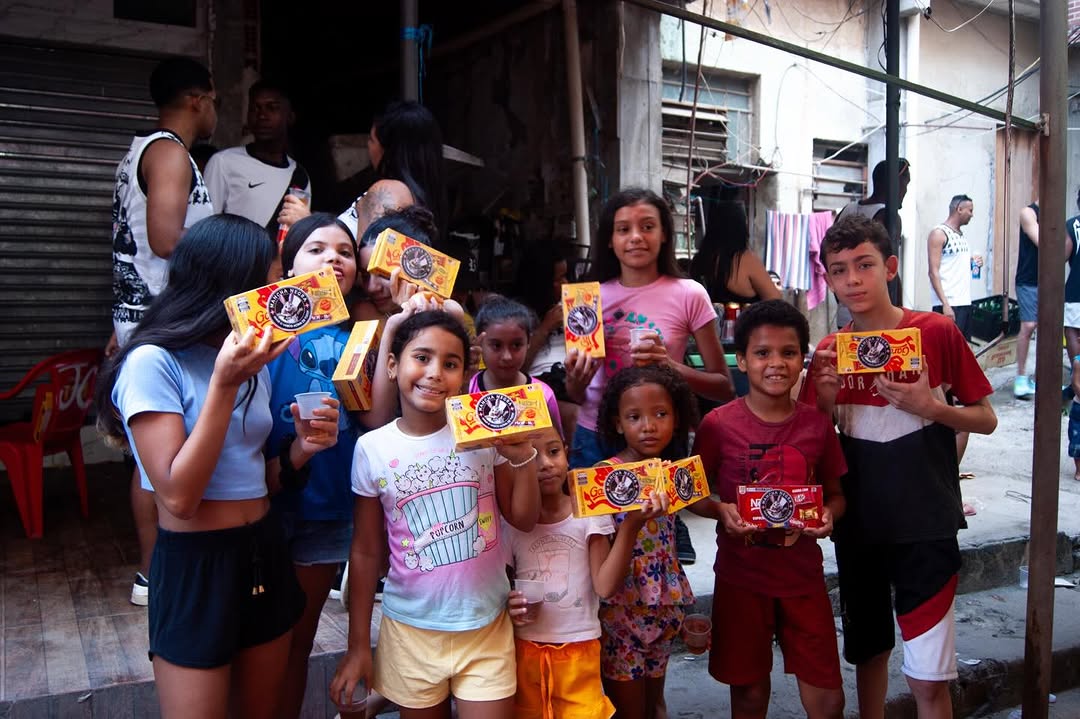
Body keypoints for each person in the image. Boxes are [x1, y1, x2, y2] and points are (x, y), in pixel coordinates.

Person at [96, 214, 341, 717]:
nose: (281, 294)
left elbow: (253, 481)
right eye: (270, 282)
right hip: (196, 565)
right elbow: (179, 497)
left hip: (263, 552)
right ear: (231, 287)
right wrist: (224, 386)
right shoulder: (152, 363)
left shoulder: (247, 361)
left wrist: (301, 450)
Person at [805, 214, 997, 719]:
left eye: (864, 265)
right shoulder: (829, 352)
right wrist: (823, 404)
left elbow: (986, 418)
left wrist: (931, 407)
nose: (853, 279)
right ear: (828, 279)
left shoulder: (935, 331)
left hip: (926, 525)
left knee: (928, 678)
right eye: (839, 270)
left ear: (890, 267)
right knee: (869, 654)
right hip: (858, 528)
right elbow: (812, 443)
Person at [330, 310, 541, 719]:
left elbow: (524, 519)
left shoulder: (483, 434)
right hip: (409, 632)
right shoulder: (372, 448)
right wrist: (358, 647)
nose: (434, 373)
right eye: (422, 358)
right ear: (393, 365)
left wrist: (524, 457)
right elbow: (366, 552)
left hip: (486, 626)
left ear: (464, 375)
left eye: (450, 363)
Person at [688, 300, 846, 719]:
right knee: (749, 696)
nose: (776, 363)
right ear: (741, 360)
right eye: (762, 353)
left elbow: (836, 494)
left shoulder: (817, 425)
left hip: (803, 578)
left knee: (829, 700)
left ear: (801, 360)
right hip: (741, 578)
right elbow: (692, 495)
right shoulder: (718, 425)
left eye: (788, 352)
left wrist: (829, 515)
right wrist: (721, 510)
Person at [107, 56, 217, 606]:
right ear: (198, 99)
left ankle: (160, 569)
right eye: (214, 100)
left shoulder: (141, 152)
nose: (215, 111)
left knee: (152, 456)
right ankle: (154, 572)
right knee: (157, 459)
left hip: (149, 319)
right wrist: (229, 245)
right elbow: (164, 239)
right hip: (165, 323)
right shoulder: (170, 151)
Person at [265, 213, 363, 718]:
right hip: (261, 502)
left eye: (345, 252)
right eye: (317, 249)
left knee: (298, 641)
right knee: (257, 640)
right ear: (287, 267)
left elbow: (374, 416)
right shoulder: (261, 332)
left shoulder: (362, 338)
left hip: (327, 507)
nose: (333, 259)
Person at [504, 424, 667, 719]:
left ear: (567, 453)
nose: (545, 464)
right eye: (532, 456)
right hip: (524, 650)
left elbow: (604, 586)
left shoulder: (588, 514)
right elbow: (501, 588)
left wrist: (631, 526)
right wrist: (509, 603)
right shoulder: (512, 523)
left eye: (554, 451)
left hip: (579, 650)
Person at [564, 187, 733, 470]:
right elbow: (578, 396)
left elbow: (724, 388)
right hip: (595, 437)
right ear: (610, 240)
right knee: (593, 504)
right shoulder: (586, 300)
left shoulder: (690, 294)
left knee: (662, 503)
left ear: (664, 234)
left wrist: (669, 366)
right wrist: (576, 380)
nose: (636, 237)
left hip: (660, 437)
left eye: (647, 227)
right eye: (623, 229)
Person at [594, 364, 698, 719]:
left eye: (660, 414)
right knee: (629, 711)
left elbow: (698, 504)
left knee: (654, 705)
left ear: (676, 419)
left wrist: (726, 510)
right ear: (618, 423)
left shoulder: (671, 472)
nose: (649, 426)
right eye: (634, 417)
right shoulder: (604, 478)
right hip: (621, 613)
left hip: (664, 607)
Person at [203, 81, 311, 234]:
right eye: (254, 109)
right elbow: (204, 228)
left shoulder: (300, 177)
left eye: (272, 108)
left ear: (290, 117)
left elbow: (297, 233)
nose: (262, 115)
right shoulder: (223, 162)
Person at [470, 296, 563, 437]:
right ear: (479, 343)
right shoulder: (468, 388)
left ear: (528, 342)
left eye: (516, 345)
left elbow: (554, 444)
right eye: (496, 346)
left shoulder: (543, 394)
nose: (507, 356)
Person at [835, 158, 911, 326]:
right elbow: (889, 271)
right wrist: (898, 310)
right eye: (906, 184)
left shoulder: (847, 210)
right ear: (896, 183)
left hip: (846, 312)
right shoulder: (887, 216)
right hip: (877, 317)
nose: (905, 191)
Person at [515, 242, 578, 439]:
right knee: (576, 416)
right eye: (558, 279)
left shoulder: (571, 304)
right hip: (540, 383)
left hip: (572, 376)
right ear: (541, 281)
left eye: (566, 276)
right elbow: (517, 366)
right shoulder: (520, 313)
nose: (565, 283)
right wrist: (545, 327)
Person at [690, 201, 782, 305]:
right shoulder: (747, 260)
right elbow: (776, 302)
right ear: (741, 228)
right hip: (742, 315)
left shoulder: (699, 260)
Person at [927, 194, 980, 341]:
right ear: (959, 209)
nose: (972, 215)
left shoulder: (961, 236)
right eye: (970, 210)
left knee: (962, 348)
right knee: (946, 348)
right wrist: (945, 304)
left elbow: (956, 267)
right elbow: (933, 272)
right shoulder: (939, 233)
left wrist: (973, 263)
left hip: (964, 302)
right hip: (949, 303)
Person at [1014, 200, 1040, 399]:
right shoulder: (1028, 212)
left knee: (1048, 329)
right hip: (1028, 280)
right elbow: (1043, 242)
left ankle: (1041, 378)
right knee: (1029, 325)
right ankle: (1021, 378)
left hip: (1048, 280)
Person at [1063, 189, 1080, 361]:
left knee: (1072, 330)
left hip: (1076, 289)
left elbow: (1061, 257)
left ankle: (1077, 372)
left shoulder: (1073, 225)